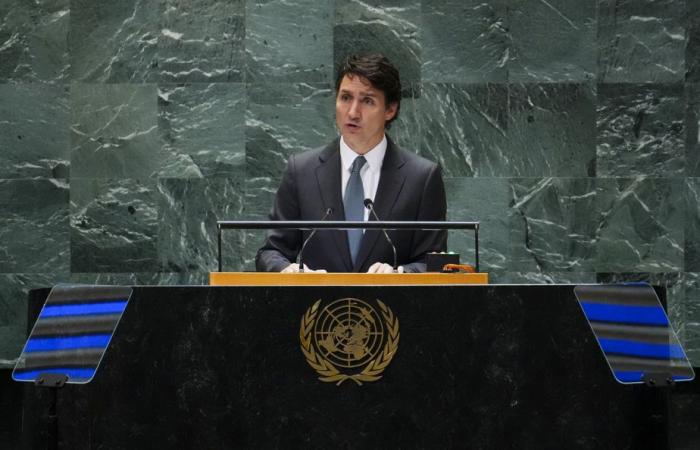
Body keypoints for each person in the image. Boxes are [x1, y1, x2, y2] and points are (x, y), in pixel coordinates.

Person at [255, 54, 446, 273]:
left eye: (367, 101)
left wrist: (399, 274)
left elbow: (434, 264)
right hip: (315, 306)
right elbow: (271, 252)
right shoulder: (302, 171)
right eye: (345, 97)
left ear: (390, 110)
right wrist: (289, 271)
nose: (353, 112)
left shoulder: (421, 177)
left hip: (393, 305)